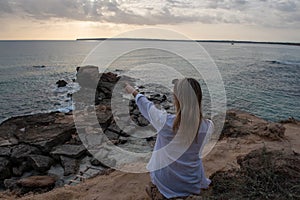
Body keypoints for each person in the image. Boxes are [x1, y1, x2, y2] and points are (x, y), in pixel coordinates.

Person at [125, 78, 213, 200]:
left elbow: (147, 106)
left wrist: (133, 91)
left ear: (177, 99)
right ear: (199, 98)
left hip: (167, 181)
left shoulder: (165, 123)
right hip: (192, 181)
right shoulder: (207, 126)